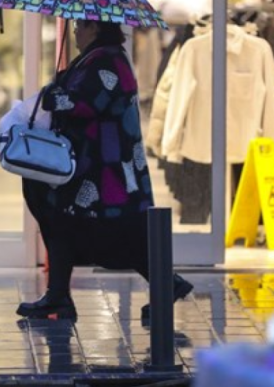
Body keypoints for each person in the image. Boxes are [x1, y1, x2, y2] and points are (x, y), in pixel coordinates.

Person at [19, 19, 193, 321]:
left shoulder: (107, 61)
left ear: (94, 29)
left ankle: (167, 284)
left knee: (113, 234)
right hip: (100, 166)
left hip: (106, 170)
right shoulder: (99, 57)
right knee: (68, 225)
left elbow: (87, 104)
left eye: (79, 26)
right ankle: (59, 295)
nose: (74, 31)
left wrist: (53, 96)